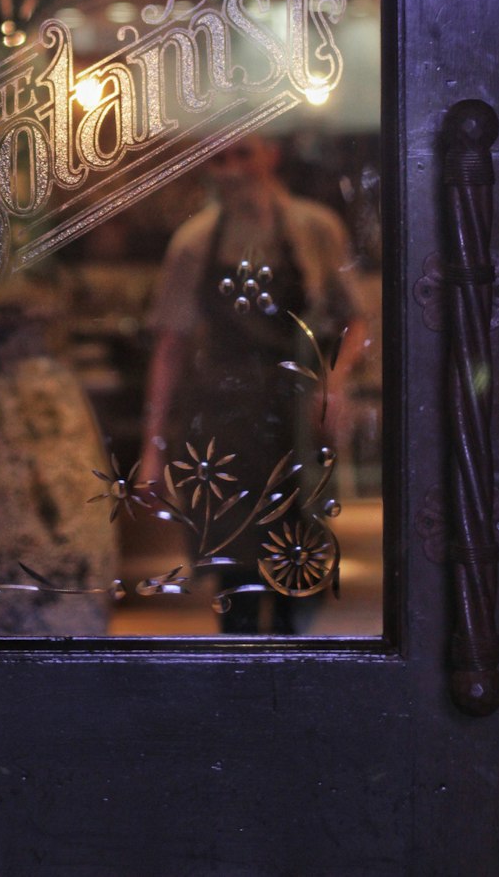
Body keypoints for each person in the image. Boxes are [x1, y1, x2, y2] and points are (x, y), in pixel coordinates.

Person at [141, 134, 368, 632]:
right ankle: (240, 681)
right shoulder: (194, 242)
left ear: (271, 154)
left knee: (296, 561)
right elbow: (170, 348)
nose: (231, 170)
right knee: (233, 570)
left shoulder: (315, 229)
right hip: (220, 416)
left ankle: (290, 673)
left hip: (294, 417)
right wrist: (153, 449)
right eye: (219, 159)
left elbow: (355, 321)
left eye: (242, 155)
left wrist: (333, 382)